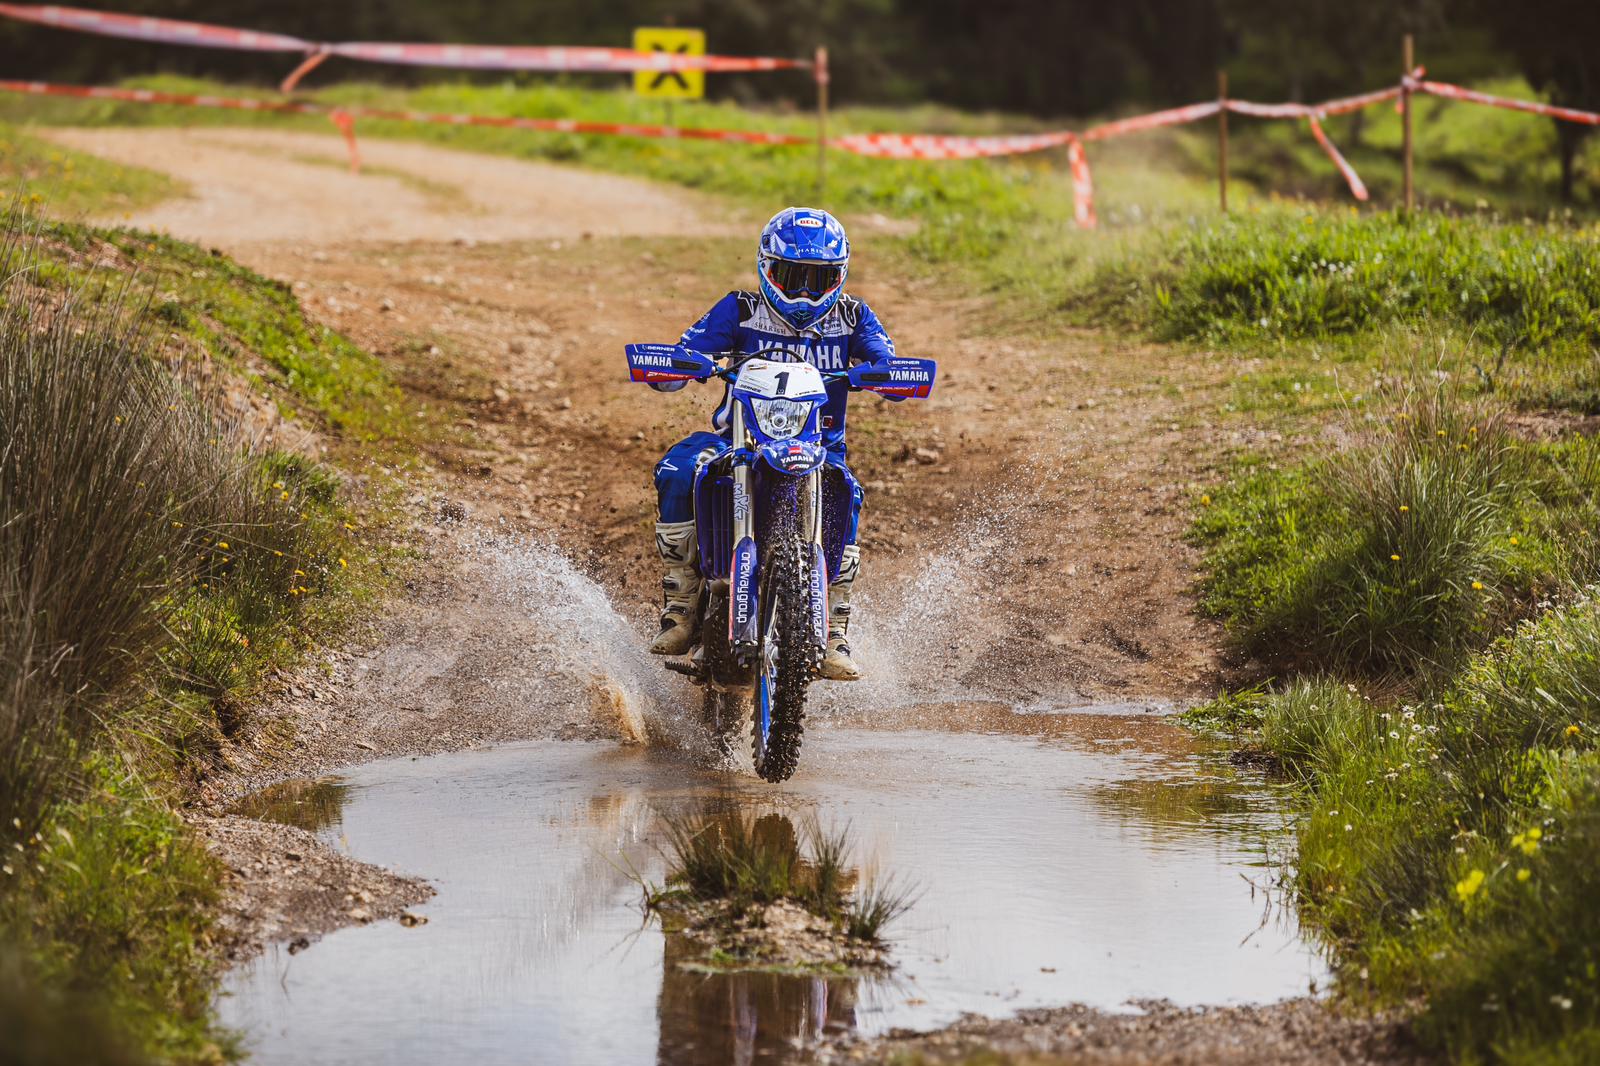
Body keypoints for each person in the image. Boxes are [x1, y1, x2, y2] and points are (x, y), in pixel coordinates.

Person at [649, 206, 901, 681]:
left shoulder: (853, 317)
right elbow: (688, 350)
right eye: (791, 276)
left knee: (847, 493)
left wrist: (887, 376)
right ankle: (681, 603)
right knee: (679, 470)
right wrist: (680, 365)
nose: (804, 292)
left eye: (818, 279)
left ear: (839, 277)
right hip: (735, 441)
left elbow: (889, 366)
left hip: (818, 450)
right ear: (767, 268)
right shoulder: (741, 309)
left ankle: (834, 629)